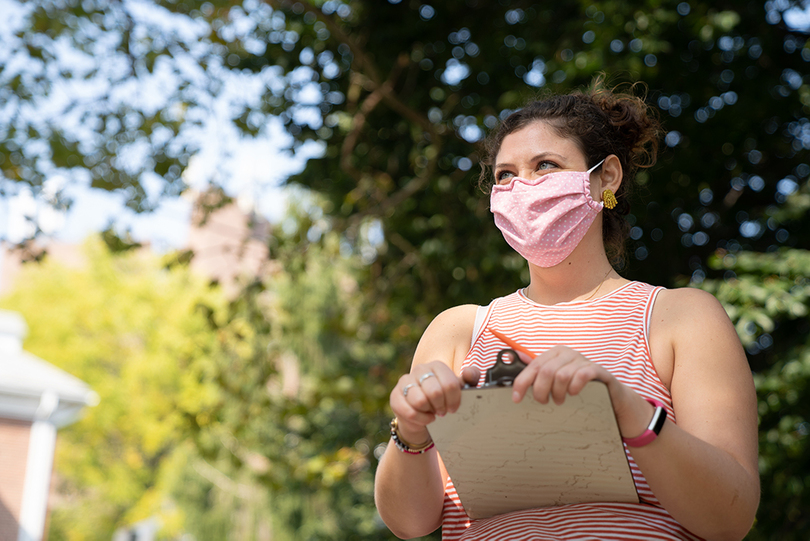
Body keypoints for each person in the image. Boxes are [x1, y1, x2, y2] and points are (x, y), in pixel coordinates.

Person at [373, 78, 760, 541]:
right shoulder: (457, 331)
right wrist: (410, 433)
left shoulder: (682, 317)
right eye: (505, 175)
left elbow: (731, 519)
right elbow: (409, 523)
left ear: (606, 177)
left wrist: (626, 410)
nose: (522, 187)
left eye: (545, 166)